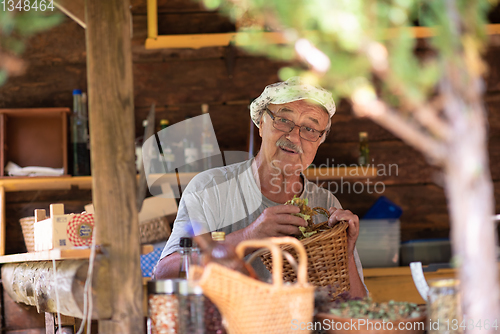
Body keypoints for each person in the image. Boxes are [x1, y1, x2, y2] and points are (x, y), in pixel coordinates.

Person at [155, 77, 368, 297]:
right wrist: (248, 237)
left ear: (319, 141)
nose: (294, 136)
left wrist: (346, 255)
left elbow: (357, 310)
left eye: (310, 129)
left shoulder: (325, 205)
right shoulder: (209, 189)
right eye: (283, 120)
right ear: (261, 125)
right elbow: (164, 274)